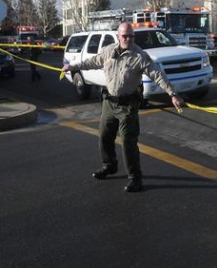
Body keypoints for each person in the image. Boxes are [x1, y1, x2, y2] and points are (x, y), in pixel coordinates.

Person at [63, 22, 184, 193]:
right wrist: (73, 66)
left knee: (128, 141)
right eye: (125, 36)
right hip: (109, 103)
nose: (128, 39)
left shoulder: (140, 56)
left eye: (131, 36)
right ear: (118, 36)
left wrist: (172, 94)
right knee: (104, 136)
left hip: (128, 105)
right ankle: (109, 165)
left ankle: (135, 177)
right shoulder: (108, 51)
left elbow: (157, 74)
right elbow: (93, 61)